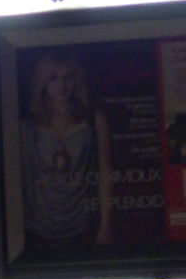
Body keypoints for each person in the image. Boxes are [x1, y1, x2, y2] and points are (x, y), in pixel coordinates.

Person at [19, 51, 114, 256]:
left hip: (84, 222)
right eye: (53, 78)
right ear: (43, 82)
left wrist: (105, 224)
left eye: (67, 77)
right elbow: (23, 178)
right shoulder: (29, 125)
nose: (61, 86)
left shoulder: (94, 119)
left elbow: (105, 173)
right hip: (38, 225)